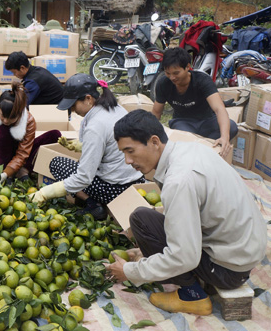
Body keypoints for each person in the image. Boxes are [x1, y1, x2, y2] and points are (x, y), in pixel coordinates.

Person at [105, 109, 266, 316]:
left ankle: (193, 296)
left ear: (154, 142)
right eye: (123, 153)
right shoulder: (190, 150)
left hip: (229, 269)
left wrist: (130, 272)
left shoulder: (179, 180)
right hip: (243, 249)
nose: (127, 160)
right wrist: (147, 253)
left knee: (144, 224)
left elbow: (184, 257)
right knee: (141, 217)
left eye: (130, 151)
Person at [30, 74, 145, 220]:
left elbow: (84, 178)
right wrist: (82, 147)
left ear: (88, 99)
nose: (72, 109)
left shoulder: (95, 126)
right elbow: (110, 145)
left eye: (73, 104)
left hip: (113, 189)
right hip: (136, 181)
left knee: (58, 164)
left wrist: (45, 193)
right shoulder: (115, 108)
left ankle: (93, 204)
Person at [152, 47, 237, 157]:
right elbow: (156, 112)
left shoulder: (202, 80)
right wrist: (151, 134)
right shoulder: (163, 83)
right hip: (182, 122)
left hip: (207, 121)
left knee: (232, 127)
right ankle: (200, 144)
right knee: (184, 140)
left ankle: (204, 145)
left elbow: (219, 109)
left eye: (176, 73)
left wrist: (224, 138)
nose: (172, 77)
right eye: (168, 73)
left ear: (188, 67)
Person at [0, 82, 61, 183]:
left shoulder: (29, 120)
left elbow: (23, 152)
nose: (6, 120)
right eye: (2, 116)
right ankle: (5, 169)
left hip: (18, 154)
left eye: (11, 118)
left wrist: (7, 173)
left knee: (55, 135)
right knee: (3, 129)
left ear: (19, 114)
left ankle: (21, 170)